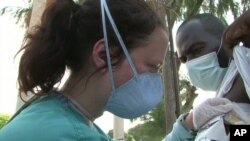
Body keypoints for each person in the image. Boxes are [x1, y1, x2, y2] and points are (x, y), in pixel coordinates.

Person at [0, 0, 168, 140]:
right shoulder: (72, 136)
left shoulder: (48, 113)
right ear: (104, 55)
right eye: (153, 66)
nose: (156, 78)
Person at [163, 13, 250, 141]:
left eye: (197, 50)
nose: (191, 63)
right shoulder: (217, 100)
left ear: (224, 39)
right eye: (184, 59)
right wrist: (187, 125)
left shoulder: (246, 70)